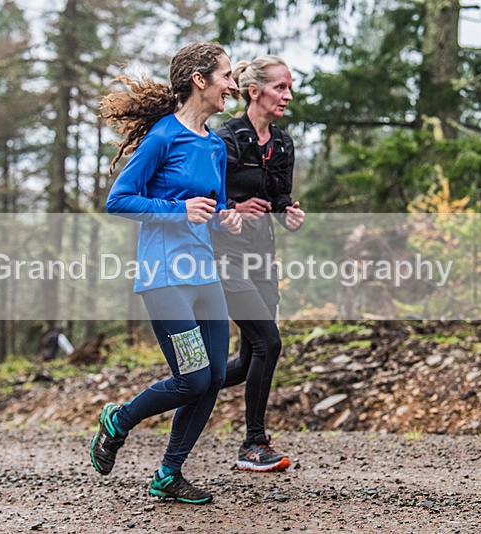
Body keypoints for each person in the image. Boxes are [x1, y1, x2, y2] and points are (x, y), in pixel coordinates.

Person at [89, 42, 242, 505]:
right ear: (201, 80)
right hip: (165, 277)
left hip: (204, 276)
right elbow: (119, 200)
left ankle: (168, 475)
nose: (232, 85)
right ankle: (120, 420)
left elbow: (212, 205)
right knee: (192, 378)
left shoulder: (214, 145)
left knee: (214, 375)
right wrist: (178, 210)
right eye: (227, 76)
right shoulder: (162, 137)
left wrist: (226, 215)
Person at [213, 56, 305, 472]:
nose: (288, 95)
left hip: (263, 258)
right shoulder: (225, 139)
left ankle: (181, 387)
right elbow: (206, 198)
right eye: (281, 87)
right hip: (226, 257)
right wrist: (234, 206)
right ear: (255, 91)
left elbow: (281, 200)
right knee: (269, 342)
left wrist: (290, 215)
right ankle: (253, 443)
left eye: (289, 88)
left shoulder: (283, 144)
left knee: (250, 359)